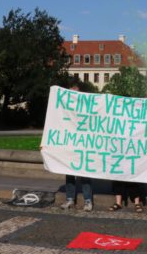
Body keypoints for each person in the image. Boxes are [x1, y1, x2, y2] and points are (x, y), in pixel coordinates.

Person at [59, 83, 93, 211]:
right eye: (70, 93)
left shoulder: (86, 107)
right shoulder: (64, 109)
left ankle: (88, 201)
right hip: (70, 145)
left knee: (85, 175)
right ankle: (69, 199)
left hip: (84, 145)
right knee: (69, 175)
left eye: (75, 92)